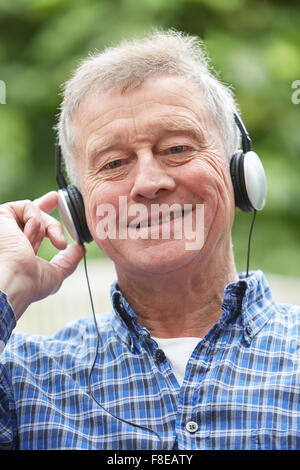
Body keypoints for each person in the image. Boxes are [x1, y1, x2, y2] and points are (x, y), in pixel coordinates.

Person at [0, 29, 299, 451]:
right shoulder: (22, 381)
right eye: (115, 162)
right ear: (77, 209)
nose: (150, 182)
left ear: (240, 174)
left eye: (176, 149)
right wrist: (5, 285)